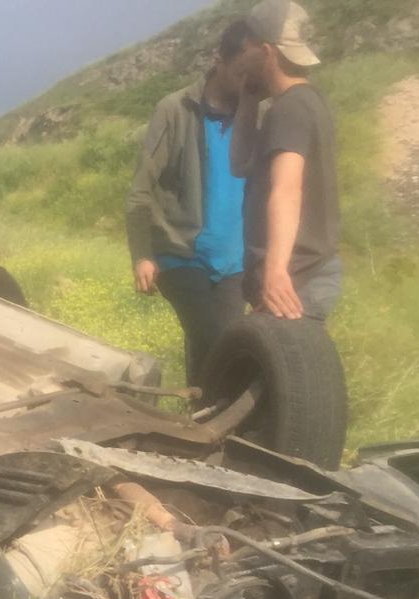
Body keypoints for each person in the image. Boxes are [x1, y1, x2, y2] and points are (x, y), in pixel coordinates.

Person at [127, 19, 254, 385]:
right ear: (219, 60)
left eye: (253, 74)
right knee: (218, 346)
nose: (247, 83)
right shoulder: (174, 110)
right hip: (180, 256)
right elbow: (141, 185)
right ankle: (209, 428)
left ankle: (203, 430)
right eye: (241, 72)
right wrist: (142, 253)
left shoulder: (254, 114)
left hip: (233, 263)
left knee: (217, 354)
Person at [230, 0, 342, 320]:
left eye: (247, 45)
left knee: (281, 369)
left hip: (293, 282)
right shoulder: (304, 102)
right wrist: (249, 99)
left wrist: (276, 271)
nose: (242, 53)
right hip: (302, 276)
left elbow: (287, 189)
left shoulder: (290, 109)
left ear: (266, 52)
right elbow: (239, 165)